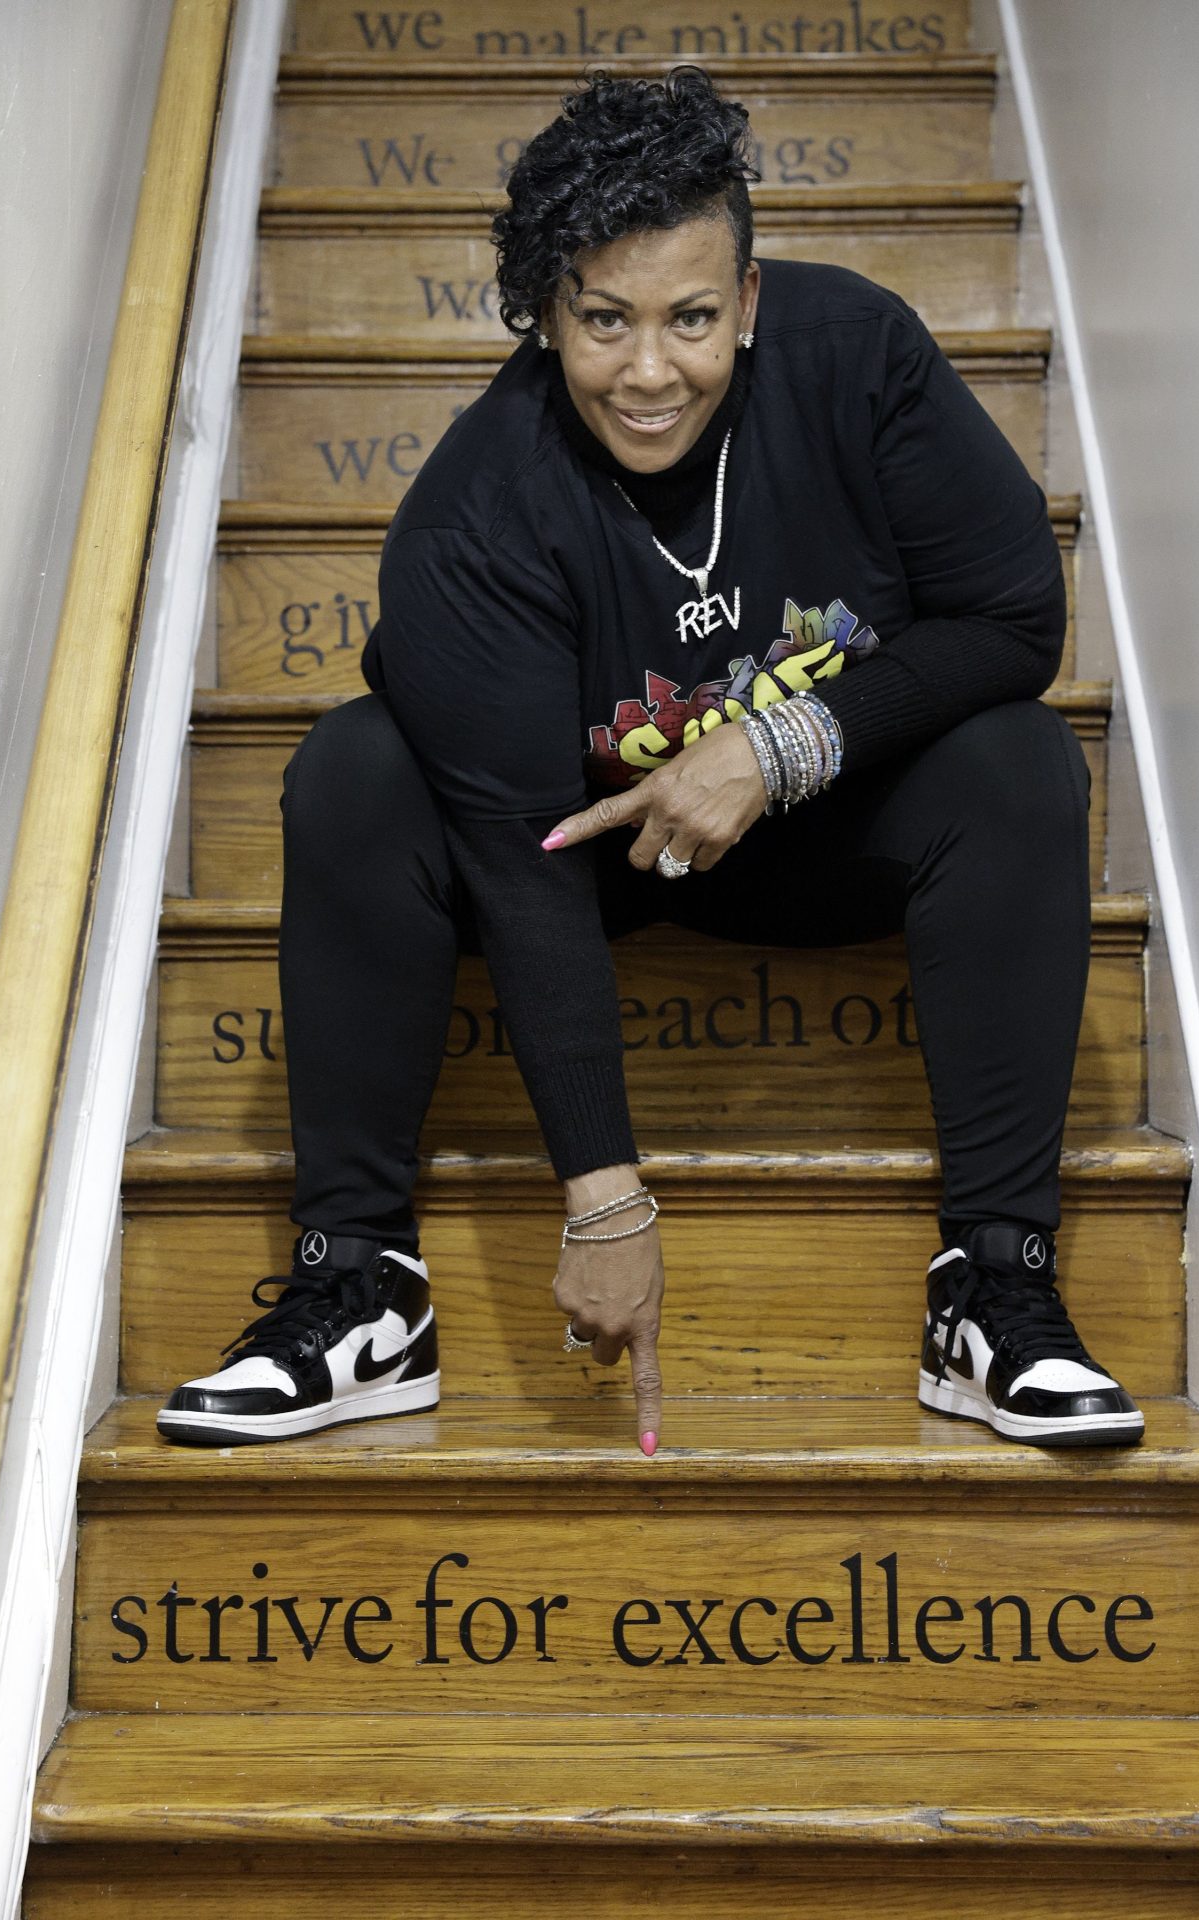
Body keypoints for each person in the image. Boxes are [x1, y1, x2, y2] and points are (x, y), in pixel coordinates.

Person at [156, 65, 1144, 1454]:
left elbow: (1014, 622)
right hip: (578, 856)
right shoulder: (473, 517)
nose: (647, 371)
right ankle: (358, 1286)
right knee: (353, 770)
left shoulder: (856, 356)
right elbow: (512, 859)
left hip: (814, 831)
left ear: (746, 300)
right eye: (601, 321)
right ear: (543, 311)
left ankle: (992, 1285)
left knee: (1018, 764)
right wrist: (607, 1205)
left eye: (689, 318)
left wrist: (781, 745)